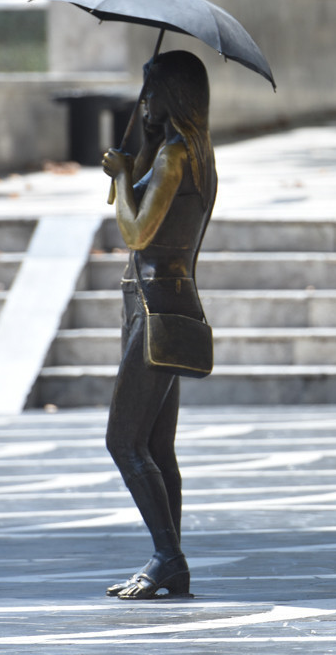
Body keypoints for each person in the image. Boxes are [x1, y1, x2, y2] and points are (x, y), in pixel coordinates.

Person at [99, 50, 218, 600]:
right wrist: (134, 157)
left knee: (124, 439)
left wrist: (124, 178)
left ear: (169, 95)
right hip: (168, 301)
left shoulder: (174, 157)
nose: (143, 101)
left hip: (153, 308)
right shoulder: (193, 152)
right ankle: (172, 560)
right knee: (157, 444)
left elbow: (137, 232)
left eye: (150, 91)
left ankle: (167, 556)